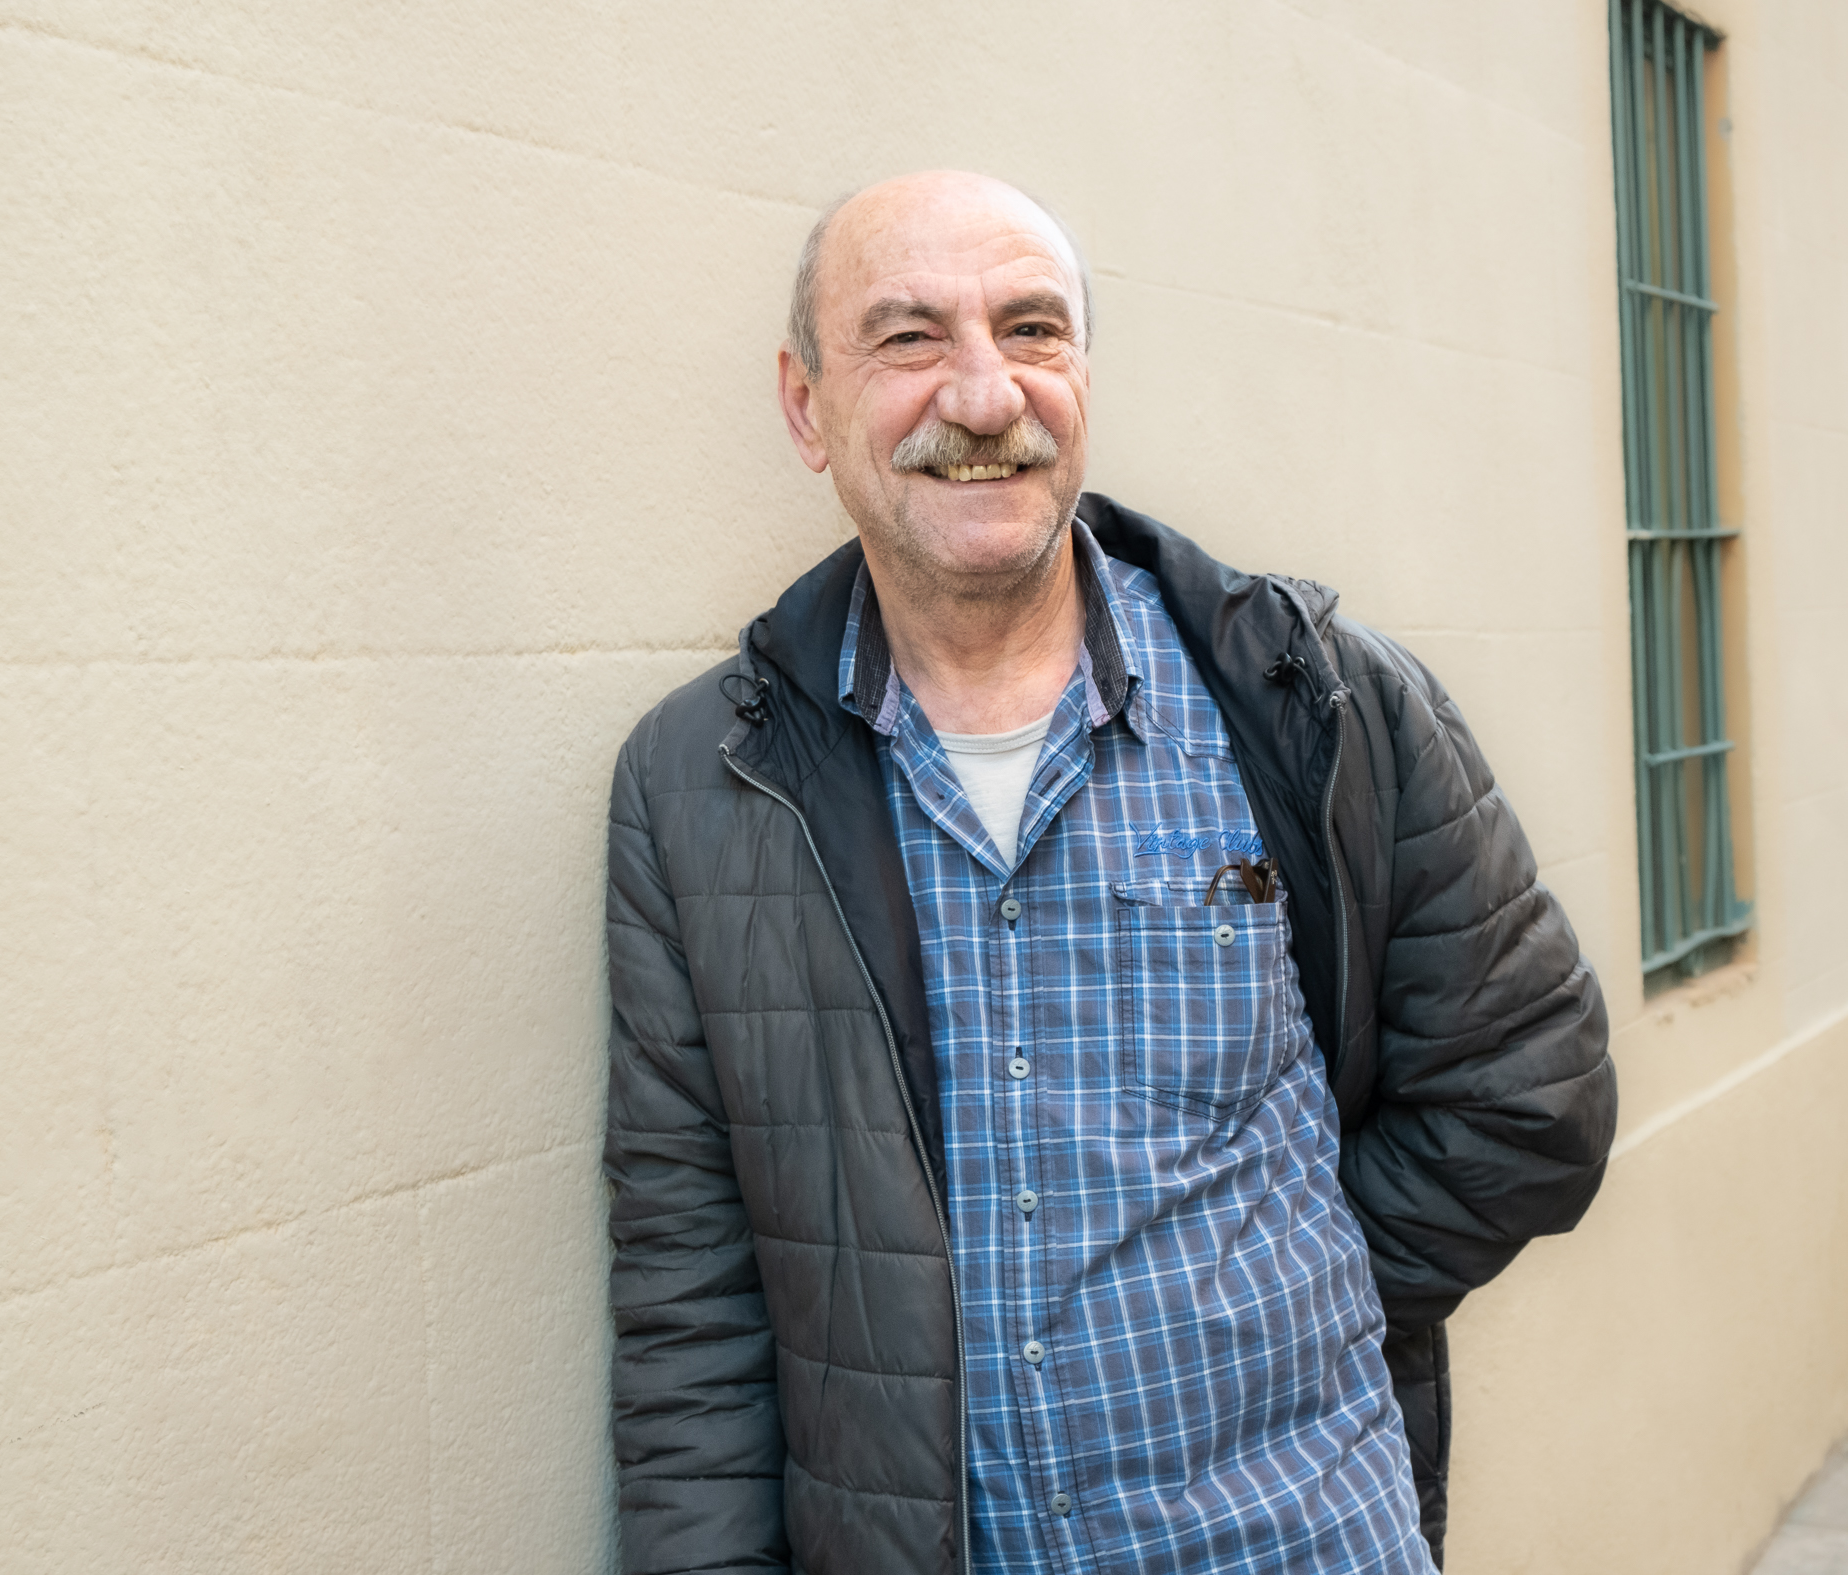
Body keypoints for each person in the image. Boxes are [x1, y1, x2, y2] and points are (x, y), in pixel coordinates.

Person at [602, 170, 1617, 1575]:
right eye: (907, 340)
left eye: (1031, 330)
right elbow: (687, 1295)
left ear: (1080, 371)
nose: (981, 395)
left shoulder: (1312, 704)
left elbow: (1530, 1093)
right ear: (803, 405)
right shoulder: (699, 787)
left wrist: (1279, 1320)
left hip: (1303, 1541)